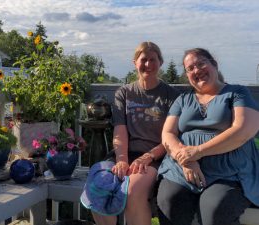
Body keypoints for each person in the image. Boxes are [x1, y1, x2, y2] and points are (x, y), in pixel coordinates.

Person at [157, 48, 259, 225]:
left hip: (228, 171)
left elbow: (244, 130)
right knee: (170, 201)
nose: (196, 70)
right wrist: (186, 160)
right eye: (190, 68)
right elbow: (167, 133)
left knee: (214, 209)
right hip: (182, 169)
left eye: (201, 63)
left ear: (214, 64)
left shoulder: (237, 93)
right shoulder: (182, 100)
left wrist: (198, 151)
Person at [90, 42, 179, 225]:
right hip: (124, 153)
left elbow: (170, 137)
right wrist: (122, 159)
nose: (148, 64)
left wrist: (147, 157)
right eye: (143, 60)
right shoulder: (124, 93)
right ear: (135, 62)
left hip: (155, 157)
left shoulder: (171, 95)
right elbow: (120, 129)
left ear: (160, 62)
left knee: (132, 190)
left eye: (152, 60)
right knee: (99, 185)